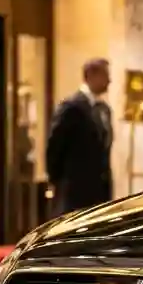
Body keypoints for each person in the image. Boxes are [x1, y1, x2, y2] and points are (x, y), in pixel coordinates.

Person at [46, 58, 114, 217]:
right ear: (91, 76)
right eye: (105, 75)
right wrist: (57, 181)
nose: (109, 81)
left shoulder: (104, 109)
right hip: (74, 192)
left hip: (99, 192)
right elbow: (55, 146)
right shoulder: (71, 107)